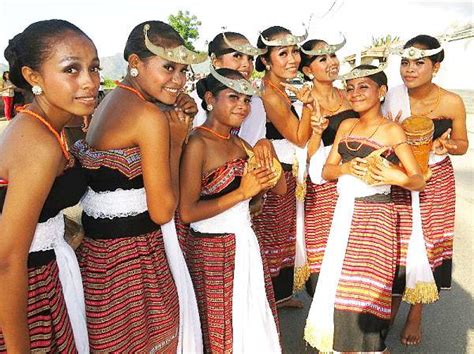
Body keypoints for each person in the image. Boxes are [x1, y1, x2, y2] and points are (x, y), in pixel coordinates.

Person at [71, 20, 204, 352]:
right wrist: (175, 143)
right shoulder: (149, 117)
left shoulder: (112, 101)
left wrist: (169, 107)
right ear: (134, 64)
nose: (179, 79)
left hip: (100, 259)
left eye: (183, 70)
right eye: (168, 67)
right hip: (134, 261)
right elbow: (162, 211)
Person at [304, 64, 425, 353]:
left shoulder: (392, 130)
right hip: (344, 215)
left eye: (364, 87)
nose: (355, 93)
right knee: (340, 293)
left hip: (375, 218)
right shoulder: (347, 126)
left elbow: (418, 179)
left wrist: (398, 177)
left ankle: (373, 348)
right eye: (351, 87)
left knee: (365, 295)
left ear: (381, 92)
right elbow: (326, 171)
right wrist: (346, 167)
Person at [0, 19, 99, 353]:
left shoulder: (48, 127)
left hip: (45, 278)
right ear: (33, 77)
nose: (90, 82)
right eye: (71, 69)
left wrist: (62, 228)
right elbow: (8, 260)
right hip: (26, 293)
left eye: (94, 68)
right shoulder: (37, 142)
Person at [180, 67, 285, 353]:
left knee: (248, 323)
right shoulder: (197, 144)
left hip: (245, 246)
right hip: (210, 251)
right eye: (233, 97)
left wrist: (267, 148)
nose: (242, 105)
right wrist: (242, 193)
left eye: (247, 99)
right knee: (219, 328)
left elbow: (280, 189)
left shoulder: (239, 143)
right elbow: (187, 213)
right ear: (210, 98)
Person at [383, 34, 468, 346]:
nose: (410, 69)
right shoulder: (391, 96)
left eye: (419, 63)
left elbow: (462, 144)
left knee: (428, 242)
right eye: (405, 62)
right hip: (400, 176)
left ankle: (415, 312)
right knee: (397, 244)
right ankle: (391, 302)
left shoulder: (451, 102)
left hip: (436, 180)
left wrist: (448, 145)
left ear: (436, 66)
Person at [252, 25, 314, 308]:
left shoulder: (280, 88)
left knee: (281, 238)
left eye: (294, 52)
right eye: (282, 53)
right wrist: (310, 106)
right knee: (271, 239)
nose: (292, 59)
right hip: (276, 175)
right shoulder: (270, 94)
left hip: (288, 172)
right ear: (265, 61)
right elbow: (300, 137)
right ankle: (267, 301)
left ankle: (279, 296)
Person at [298, 37, 359, 295]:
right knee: (325, 256)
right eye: (322, 59)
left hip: (355, 182)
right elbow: (308, 153)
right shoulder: (303, 102)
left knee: (353, 252)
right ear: (308, 70)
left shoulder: (349, 95)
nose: (332, 62)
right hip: (322, 188)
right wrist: (316, 132)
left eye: (332, 55)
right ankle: (321, 324)